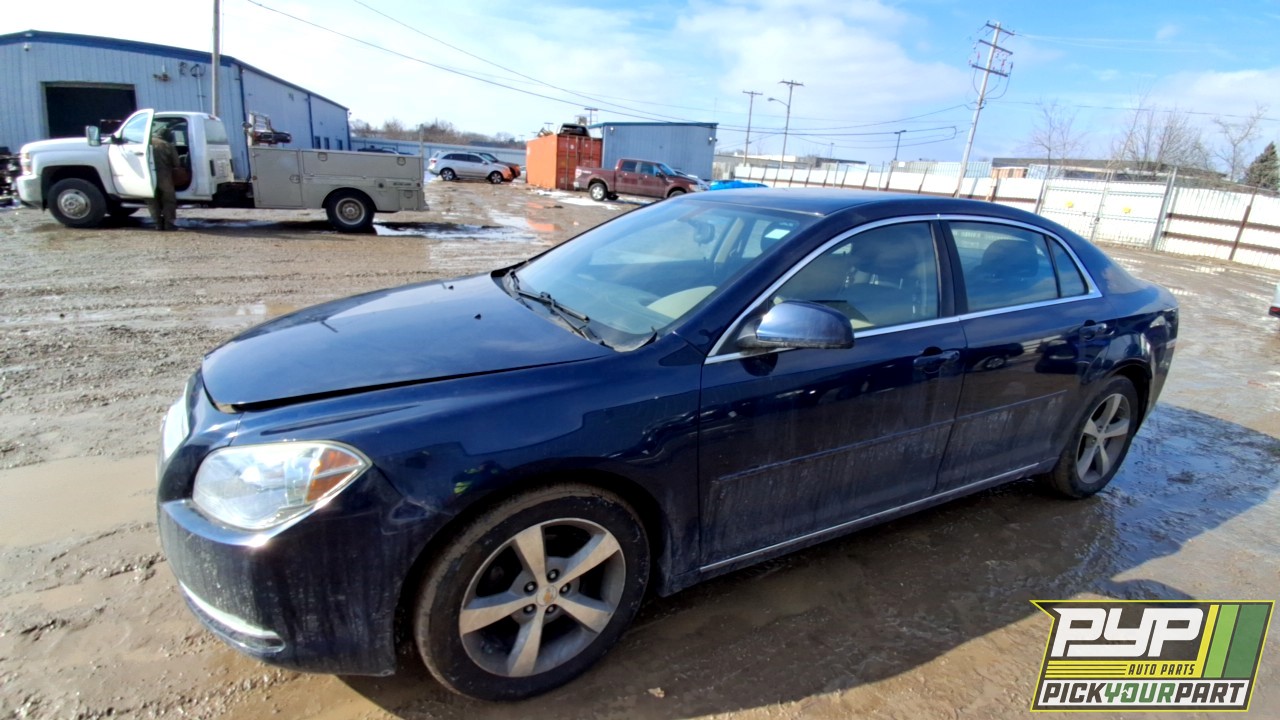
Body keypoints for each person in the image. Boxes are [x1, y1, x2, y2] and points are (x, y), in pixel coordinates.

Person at [148, 128, 179, 231]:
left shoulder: (146, 143)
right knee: (168, 200)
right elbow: (176, 163)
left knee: (152, 200)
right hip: (164, 176)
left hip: (148, 176)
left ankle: (157, 223)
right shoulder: (167, 145)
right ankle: (168, 224)